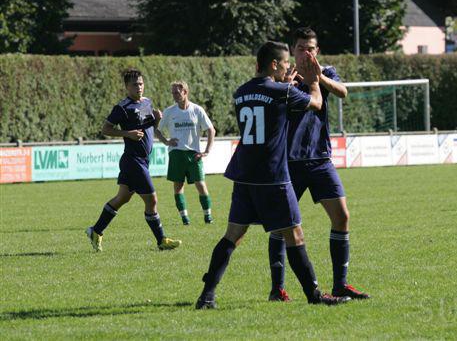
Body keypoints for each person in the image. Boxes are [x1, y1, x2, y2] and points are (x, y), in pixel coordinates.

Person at [195, 41, 350, 309]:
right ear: (274, 64)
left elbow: (268, 105)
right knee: (296, 236)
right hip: (273, 175)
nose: (290, 67)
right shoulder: (282, 93)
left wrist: (286, 85)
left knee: (233, 235)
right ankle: (315, 295)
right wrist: (313, 80)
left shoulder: (240, 92)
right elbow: (315, 103)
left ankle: (207, 296)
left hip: (244, 173)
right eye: (286, 63)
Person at [267, 27, 370, 302]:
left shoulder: (326, 72)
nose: (306, 53)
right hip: (289, 162)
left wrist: (319, 76)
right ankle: (277, 289)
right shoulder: (283, 76)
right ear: (293, 50)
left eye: (310, 48)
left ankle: (340, 285)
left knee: (342, 216)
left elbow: (343, 92)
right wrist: (287, 84)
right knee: (281, 225)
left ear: (317, 51)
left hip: (320, 159)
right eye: (301, 48)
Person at [86, 69, 182, 252]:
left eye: (141, 83)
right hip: (133, 160)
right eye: (134, 85)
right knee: (152, 200)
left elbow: (147, 129)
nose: (139, 87)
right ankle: (161, 240)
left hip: (143, 160)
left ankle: (95, 230)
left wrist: (156, 121)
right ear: (126, 87)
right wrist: (126, 134)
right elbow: (105, 129)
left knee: (122, 198)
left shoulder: (147, 102)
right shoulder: (122, 107)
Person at [156, 81, 216, 225]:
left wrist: (207, 151)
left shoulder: (197, 110)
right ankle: (185, 218)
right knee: (178, 186)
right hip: (176, 153)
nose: (174, 96)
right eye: (173, 93)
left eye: (177, 93)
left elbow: (211, 130)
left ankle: (208, 216)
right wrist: (166, 141)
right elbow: (157, 130)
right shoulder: (170, 111)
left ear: (185, 92)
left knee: (201, 185)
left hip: (194, 154)